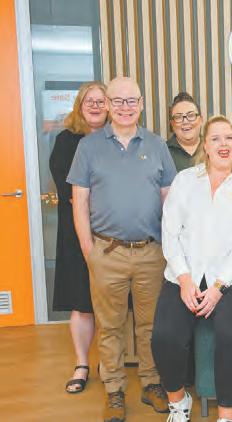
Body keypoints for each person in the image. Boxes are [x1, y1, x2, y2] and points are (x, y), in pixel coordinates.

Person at [68, 76, 177, 422]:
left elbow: (169, 200)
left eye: (132, 101)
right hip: (106, 252)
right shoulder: (88, 147)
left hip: (151, 253)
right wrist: (89, 250)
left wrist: (170, 248)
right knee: (110, 326)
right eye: (118, 101)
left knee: (150, 326)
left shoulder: (157, 145)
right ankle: (114, 389)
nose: (125, 107)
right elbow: (79, 202)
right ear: (108, 105)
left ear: (141, 104)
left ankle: (151, 383)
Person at [152, 115, 232, 422]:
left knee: (231, 336)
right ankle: (178, 402)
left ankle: (226, 415)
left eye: (229, 138)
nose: (223, 144)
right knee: (164, 337)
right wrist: (184, 279)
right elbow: (170, 232)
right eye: (215, 139)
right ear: (205, 145)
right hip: (183, 276)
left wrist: (217, 288)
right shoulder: (185, 181)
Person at [50, 81, 108, 394]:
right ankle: (82, 363)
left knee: (113, 303)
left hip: (114, 233)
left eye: (101, 101)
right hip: (77, 232)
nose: (96, 106)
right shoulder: (66, 141)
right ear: (80, 105)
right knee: (82, 301)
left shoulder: (117, 139)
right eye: (90, 101)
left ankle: (110, 362)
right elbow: (71, 192)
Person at [167, 92, 203, 172]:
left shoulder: (213, 147)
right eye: (178, 117)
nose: (185, 121)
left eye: (191, 115)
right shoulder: (163, 152)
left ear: (201, 120)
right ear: (172, 124)